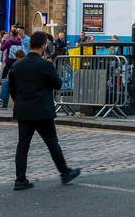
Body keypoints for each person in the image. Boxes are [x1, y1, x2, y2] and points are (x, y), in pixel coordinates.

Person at [8, 31, 81, 191]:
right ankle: (65, 172)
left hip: (24, 110)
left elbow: (11, 88)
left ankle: (20, 180)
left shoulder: (17, 64)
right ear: (43, 45)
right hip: (42, 110)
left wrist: (20, 101)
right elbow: (58, 84)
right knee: (52, 142)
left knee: (23, 145)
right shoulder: (45, 65)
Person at [0, 27, 26, 109]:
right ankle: (2, 100)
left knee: (5, 81)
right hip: (18, 62)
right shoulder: (20, 41)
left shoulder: (9, 41)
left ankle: (2, 101)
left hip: (9, 62)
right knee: (10, 82)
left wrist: (3, 41)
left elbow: (2, 48)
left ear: (11, 34)